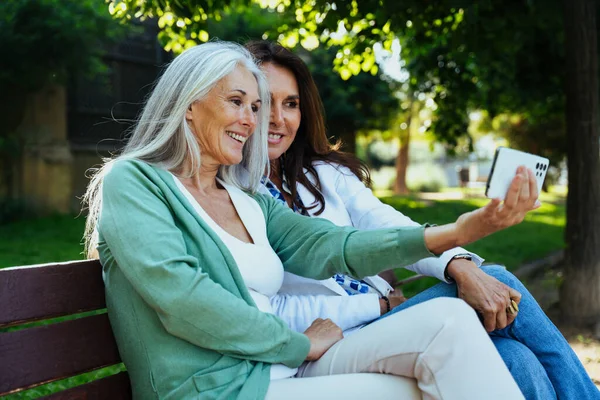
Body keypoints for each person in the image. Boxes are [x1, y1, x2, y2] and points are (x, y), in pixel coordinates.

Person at [83, 41, 534, 400]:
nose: (251, 120)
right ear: (188, 105)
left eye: (255, 107)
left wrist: (460, 232)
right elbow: (184, 299)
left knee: (449, 323)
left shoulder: (244, 198)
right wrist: (298, 342)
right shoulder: (135, 182)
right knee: (429, 384)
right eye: (237, 101)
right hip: (221, 389)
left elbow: (336, 246)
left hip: (284, 370)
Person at [245, 39, 600, 400]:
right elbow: (267, 308)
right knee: (496, 278)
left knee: (517, 357)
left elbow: (387, 225)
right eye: (264, 103)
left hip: (383, 323)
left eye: (291, 104)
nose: (278, 118)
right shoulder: (233, 199)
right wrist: (378, 304)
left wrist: (457, 264)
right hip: (326, 342)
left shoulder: (323, 173)